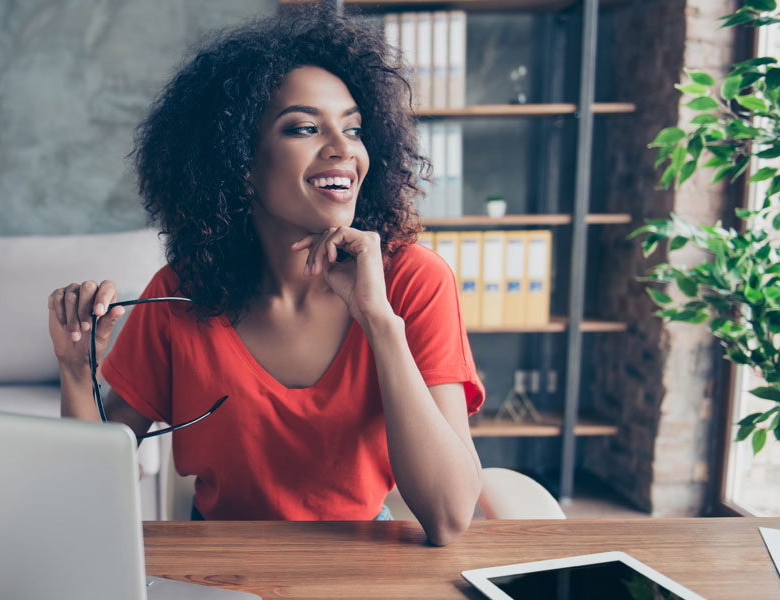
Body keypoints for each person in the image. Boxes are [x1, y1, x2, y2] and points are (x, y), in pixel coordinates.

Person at [46, 5, 484, 546]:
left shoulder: (415, 280)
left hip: (357, 561)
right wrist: (73, 367)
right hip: (217, 564)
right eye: (304, 127)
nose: (344, 149)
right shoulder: (182, 291)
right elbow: (87, 488)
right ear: (240, 164)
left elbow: (448, 517)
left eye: (353, 129)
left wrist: (377, 318)